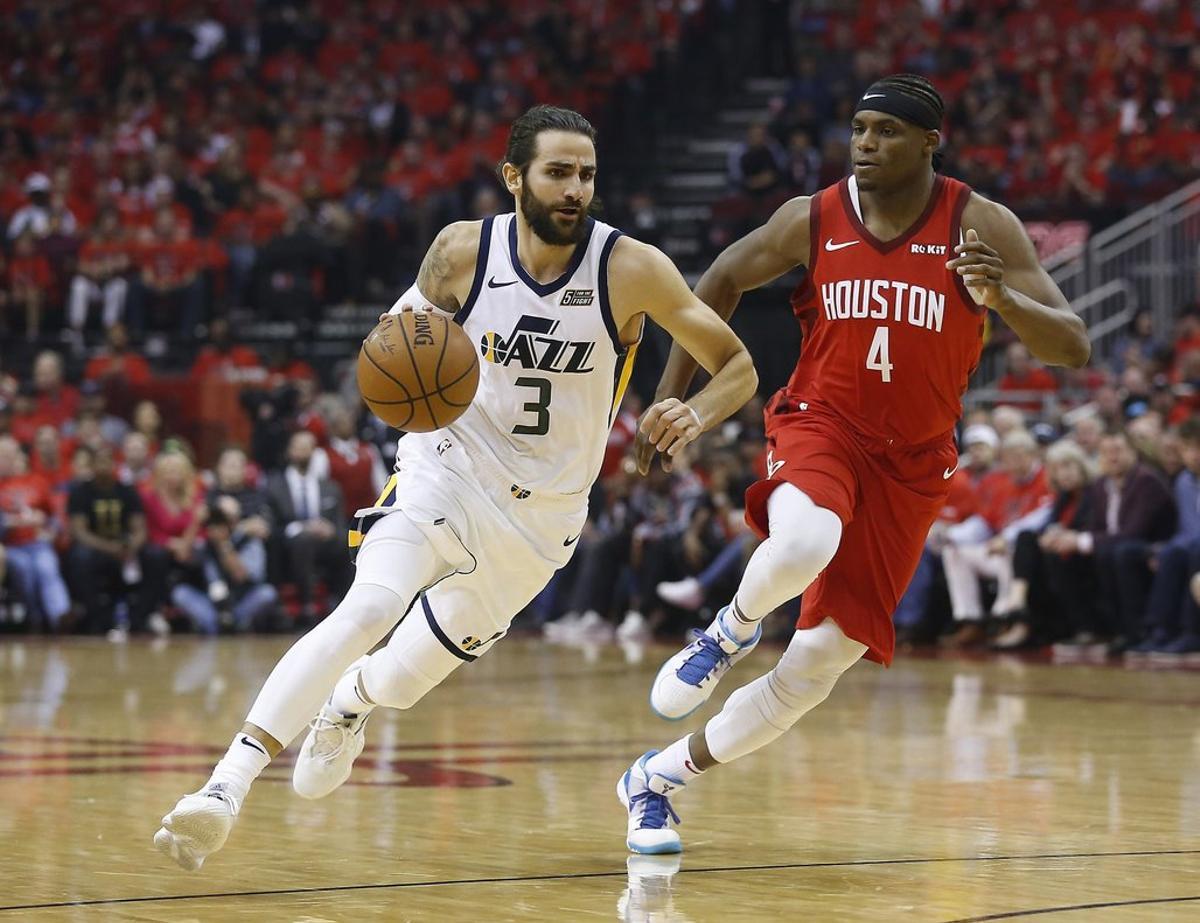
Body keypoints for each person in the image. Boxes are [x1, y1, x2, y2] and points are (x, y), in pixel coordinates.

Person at [153, 104, 756, 871]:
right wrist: (398, 362)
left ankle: (351, 703)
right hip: (444, 465)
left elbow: (737, 364)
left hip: (543, 521)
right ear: (514, 178)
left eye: (588, 175)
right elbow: (397, 349)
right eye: (559, 172)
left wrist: (694, 410)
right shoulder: (460, 253)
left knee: (402, 678)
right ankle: (224, 787)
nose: (576, 189)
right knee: (368, 603)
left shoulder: (630, 267)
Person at [617, 75, 1089, 854]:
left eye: (886, 132)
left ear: (930, 142)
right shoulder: (814, 217)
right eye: (859, 129)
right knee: (804, 541)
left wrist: (1002, 298)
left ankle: (656, 780)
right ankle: (726, 632)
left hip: (913, 465)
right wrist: (672, 398)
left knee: (815, 668)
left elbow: (1071, 343)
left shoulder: (981, 225)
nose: (865, 144)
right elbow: (720, 279)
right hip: (821, 422)